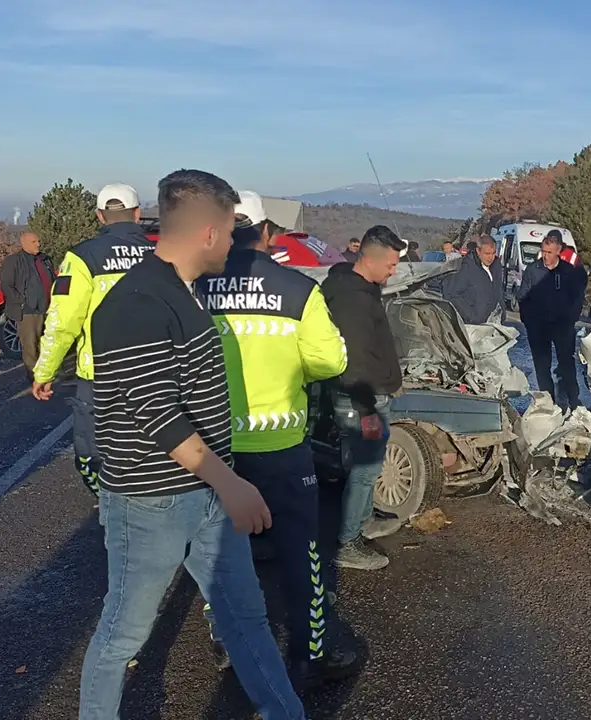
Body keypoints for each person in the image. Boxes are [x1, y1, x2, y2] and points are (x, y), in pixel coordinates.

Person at [79, 169, 305, 720]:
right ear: (208, 232)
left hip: (206, 494)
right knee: (123, 635)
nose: (234, 242)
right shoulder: (136, 302)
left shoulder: (182, 291)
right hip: (151, 501)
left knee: (244, 620)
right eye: (230, 231)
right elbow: (158, 413)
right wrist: (232, 484)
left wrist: (223, 483)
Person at [197, 191, 361, 689]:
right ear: (267, 232)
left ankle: (231, 643)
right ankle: (312, 652)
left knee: (222, 551)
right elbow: (332, 361)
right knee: (301, 550)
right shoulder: (296, 288)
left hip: (214, 449)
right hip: (283, 446)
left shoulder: (196, 288)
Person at [31, 183, 153, 496]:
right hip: (157, 373)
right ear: (138, 214)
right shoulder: (166, 256)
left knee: (94, 452)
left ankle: (107, 503)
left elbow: (61, 323)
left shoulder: (83, 257)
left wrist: (45, 372)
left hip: (100, 376)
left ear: (100, 216)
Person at [319, 225, 407, 571]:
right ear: (369, 260)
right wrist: (368, 408)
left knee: (363, 466)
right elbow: (355, 361)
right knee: (364, 469)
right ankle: (348, 541)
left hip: (367, 396)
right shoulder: (352, 299)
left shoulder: (360, 287)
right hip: (362, 400)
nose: (394, 271)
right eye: (390, 265)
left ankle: (363, 518)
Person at [517, 230, 588, 414]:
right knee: (542, 366)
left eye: (550, 252)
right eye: (544, 252)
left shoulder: (567, 271)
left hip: (562, 326)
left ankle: (574, 400)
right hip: (538, 328)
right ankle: (548, 402)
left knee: (567, 364)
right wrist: (529, 322)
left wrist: (571, 318)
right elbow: (523, 298)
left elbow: (577, 298)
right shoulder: (533, 270)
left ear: (558, 251)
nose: (546, 256)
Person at [0, 231, 55, 382]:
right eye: (33, 242)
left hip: (47, 307)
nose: (38, 244)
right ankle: (35, 377)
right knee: (31, 345)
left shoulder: (45, 259)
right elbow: (7, 285)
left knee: (47, 342)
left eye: (38, 241)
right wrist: (23, 302)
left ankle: (47, 373)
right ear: (24, 243)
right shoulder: (14, 261)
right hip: (28, 310)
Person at [444, 235, 504, 325]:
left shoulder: (496, 266)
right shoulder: (465, 267)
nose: (490, 257)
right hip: (473, 325)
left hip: (494, 323)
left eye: (493, 253)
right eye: (487, 254)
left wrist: (502, 312)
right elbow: (452, 294)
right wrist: (471, 316)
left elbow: (498, 291)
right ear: (478, 251)